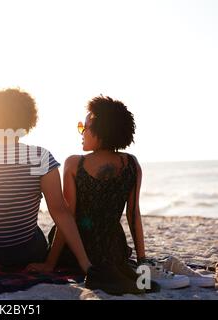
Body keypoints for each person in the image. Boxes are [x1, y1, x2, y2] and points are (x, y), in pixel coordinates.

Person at [0, 88, 92, 274]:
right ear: (27, 120)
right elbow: (60, 212)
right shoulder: (41, 158)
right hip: (26, 253)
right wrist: (86, 264)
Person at [27, 95, 150, 292]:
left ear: (100, 131)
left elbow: (69, 217)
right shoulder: (132, 164)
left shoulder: (75, 164)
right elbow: (133, 214)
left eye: (84, 127)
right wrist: (143, 261)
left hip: (76, 253)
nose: (81, 133)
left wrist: (50, 263)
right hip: (113, 252)